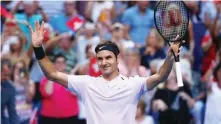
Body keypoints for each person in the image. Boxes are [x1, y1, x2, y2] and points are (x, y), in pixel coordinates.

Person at [28, 21, 182, 124]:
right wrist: (37, 47)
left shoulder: (133, 83)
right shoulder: (87, 83)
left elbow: (160, 76)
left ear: (117, 59)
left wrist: (169, 57)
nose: (104, 62)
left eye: (108, 57)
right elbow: (52, 74)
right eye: (100, 59)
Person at [39, 53, 79, 124]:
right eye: (58, 62)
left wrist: (71, 78)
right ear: (53, 64)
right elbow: (48, 93)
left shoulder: (71, 78)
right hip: (50, 118)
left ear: (66, 64)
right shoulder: (45, 79)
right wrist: (51, 76)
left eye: (63, 62)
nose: (61, 64)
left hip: (70, 117)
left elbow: (75, 93)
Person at [1, 58, 20, 124]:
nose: (6, 78)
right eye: (4, 74)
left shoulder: (10, 88)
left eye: (8, 75)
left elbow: (12, 113)